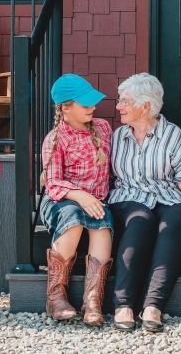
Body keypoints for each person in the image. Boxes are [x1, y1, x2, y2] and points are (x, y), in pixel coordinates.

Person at [108, 73, 181, 333]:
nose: (118, 107)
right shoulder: (117, 136)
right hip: (129, 197)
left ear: (146, 106)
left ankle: (153, 305)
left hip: (168, 195)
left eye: (124, 101)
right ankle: (124, 303)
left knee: (174, 222)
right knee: (141, 222)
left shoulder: (172, 135)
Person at [39, 73, 113, 326]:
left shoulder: (103, 128)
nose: (92, 107)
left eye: (93, 102)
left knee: (102, 225)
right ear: (65, 107)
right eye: (85, 104)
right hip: (62, 201)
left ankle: (92, 300)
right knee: (73, 218)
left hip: (96, 202)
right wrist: (80, 195)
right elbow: (53, 182)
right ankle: (56, 296)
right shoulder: (55, 139)